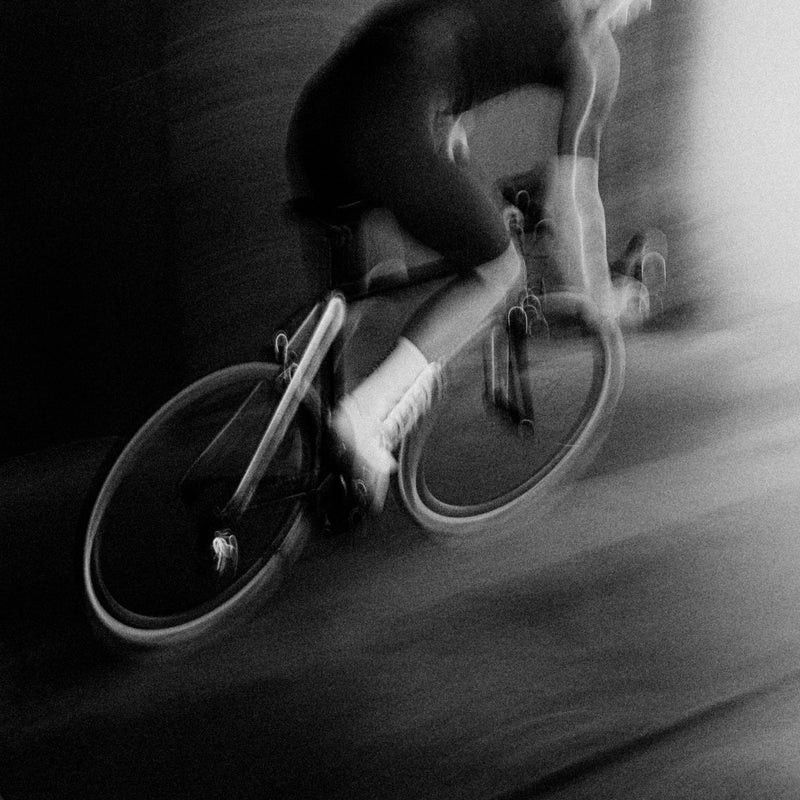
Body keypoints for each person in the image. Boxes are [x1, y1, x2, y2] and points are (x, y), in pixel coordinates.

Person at [286, 0, 652, 512]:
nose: (638, 9)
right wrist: (599, 294)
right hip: (390, 125)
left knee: (363, 292)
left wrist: (455, 144)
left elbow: (436, 63)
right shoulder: (589, 47)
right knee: (499, 272)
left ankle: (299, 437)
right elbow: (569, 199)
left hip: (317, 121)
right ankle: (363, 416)